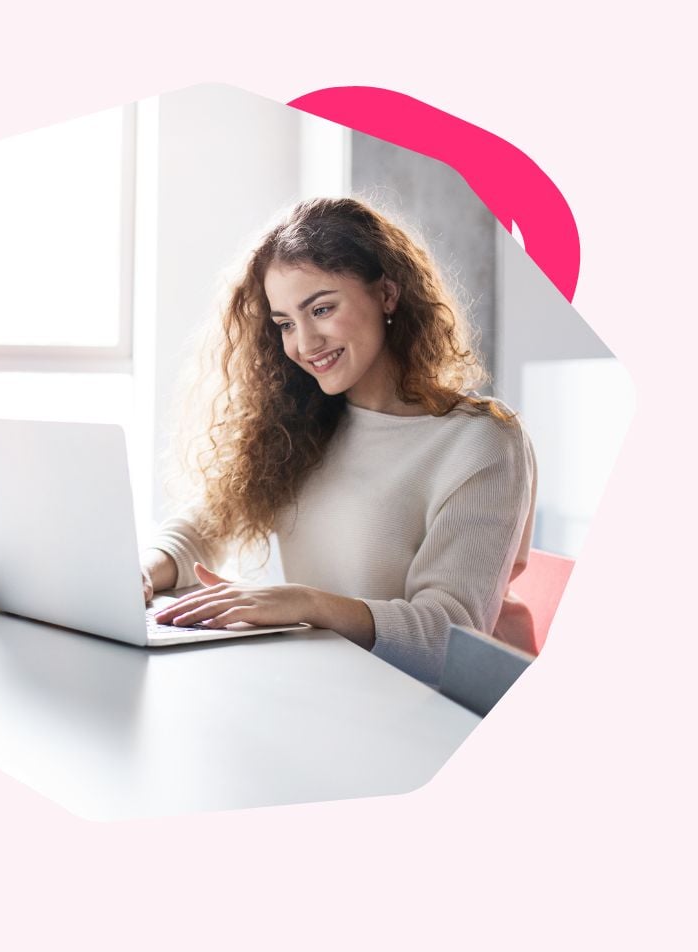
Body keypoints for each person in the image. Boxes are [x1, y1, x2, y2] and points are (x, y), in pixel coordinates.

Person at [140, 196, 536, 685]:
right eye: (285, 323)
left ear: (387, 294)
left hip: (445, 714)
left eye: (322, 309)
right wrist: (141, 572)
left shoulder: (482, 443)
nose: (303, 344)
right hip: (338, 690)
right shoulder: (300, 423)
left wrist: (305, 603)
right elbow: (206, 527)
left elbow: (448, 637)